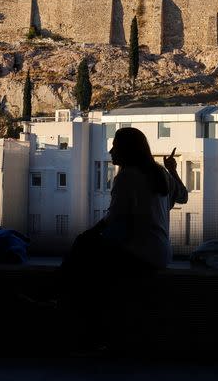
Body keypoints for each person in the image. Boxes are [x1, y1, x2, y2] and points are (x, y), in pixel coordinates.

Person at [58, 126, 188, 349]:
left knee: (84, 253)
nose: (110, 151)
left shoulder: (127, 177)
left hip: (141, 252)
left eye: (115, 146)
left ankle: (61, 304)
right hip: (162, 252)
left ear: (127, 150)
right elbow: (183, 196)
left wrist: (88, 234)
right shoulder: (159, 174)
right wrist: (172, 169)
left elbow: (114, 217)